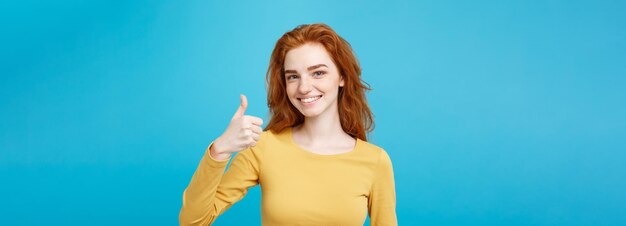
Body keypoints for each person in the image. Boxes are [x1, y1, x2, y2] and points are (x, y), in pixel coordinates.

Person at [179, 23, 397, 226]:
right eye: (293, 76)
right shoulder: (263, 147)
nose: (303, 87)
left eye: (318, 73)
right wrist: (220, 150)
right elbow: (193, 221)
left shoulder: (375, 161)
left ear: (342, 77)